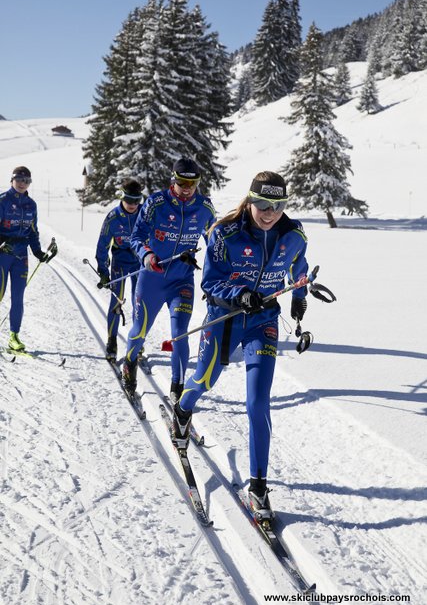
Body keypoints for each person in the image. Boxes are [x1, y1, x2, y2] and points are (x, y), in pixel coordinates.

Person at [171, 171, 309, 520]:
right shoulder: (224, 232)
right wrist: (240, 294)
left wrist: (300, 294)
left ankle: (259, 486)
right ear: (249, 201)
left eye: (277, 205)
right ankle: (183, 410)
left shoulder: (293, 235)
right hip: (224, 319)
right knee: (204, 380)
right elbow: (210, 280)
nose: (269, 212)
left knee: (257, 402)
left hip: (262, 324)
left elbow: (300, 266)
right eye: (262, 203)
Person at [122, 157, 216, 401]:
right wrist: (147, 255)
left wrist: (217, 277)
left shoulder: (205, 207)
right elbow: (136, 237)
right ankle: (130, 362)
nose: (187, 188)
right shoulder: (156, 202)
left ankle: (177, 387)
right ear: (173, 180)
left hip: (181, 280)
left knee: (180, 334)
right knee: (140, 330)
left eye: (192, 183)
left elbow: (216, 245)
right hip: (152, 278)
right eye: (182, 182)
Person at [0, 166, 56, 351]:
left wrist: (38, 251)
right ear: (12, 180)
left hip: (21, 256)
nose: (23, 184)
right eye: (20, 179)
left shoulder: (31, 205)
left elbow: (33, 231)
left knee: (18, 297)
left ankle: (14, 337)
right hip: (3, 254)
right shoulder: (3, 201)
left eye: (27, 181)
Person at [95, 179, 144, 359]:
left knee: (140, 303)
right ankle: (112, 341)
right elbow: (102, 245)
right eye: (129, 200)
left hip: (140, 263)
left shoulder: (144, 215)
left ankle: (138, 343)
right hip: (120, 262)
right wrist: (102, 270)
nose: (132, 204)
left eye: (136, 200)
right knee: (117, 302)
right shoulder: (113, 218)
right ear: (122, 197)